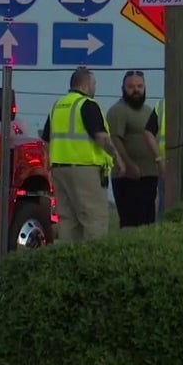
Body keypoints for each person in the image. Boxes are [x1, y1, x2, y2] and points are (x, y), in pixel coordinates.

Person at [40, 67, 125, 242]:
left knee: (68, 221)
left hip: (59, 170)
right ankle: (93, 257)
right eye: (94, 84)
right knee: (95, 219)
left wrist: (48, 166)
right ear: (86, 85)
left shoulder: (57, 106)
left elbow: (46, 141)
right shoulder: (87, 105)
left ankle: (68, 257)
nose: (95, 88)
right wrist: (117, 158)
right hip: (86, 170)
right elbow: (101, 138)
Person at [106, 70, 161, 228]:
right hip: (127, 177)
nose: (136, 90)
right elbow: (115, 139)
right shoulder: (118, 110)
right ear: (123, 88)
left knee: (148, 222)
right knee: (130, 223)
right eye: (131, 87)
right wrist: (129, 165)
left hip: (149, 175)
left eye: (139, 86)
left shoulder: (149, 111)